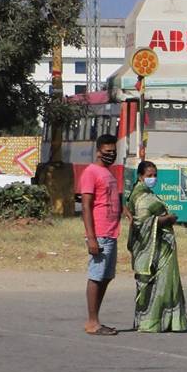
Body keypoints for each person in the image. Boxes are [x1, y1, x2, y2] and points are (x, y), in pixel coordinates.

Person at [127, 160, 187, 333]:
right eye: (149, 176)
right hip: (152, 248)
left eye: (155, 175)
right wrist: (166, 220)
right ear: (140, 176)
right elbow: (141, 221)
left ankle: (165, 321)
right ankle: (150, 322)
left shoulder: (145, 193)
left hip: (161, 246)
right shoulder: (140, 195)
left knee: (165, 282)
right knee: (155, 282)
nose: (153, 178)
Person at [79, 133, 122, 335]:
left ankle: (96, 318)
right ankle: (92, 322)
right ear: (98, 151)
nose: (110, 155)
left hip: (112, 232)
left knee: (106, 276)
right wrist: (91, 237)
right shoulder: (91, 172)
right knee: (96, 276)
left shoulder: (109, 173)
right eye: (107, 152)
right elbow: (86, 206)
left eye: (113, 152)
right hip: (100, 232)